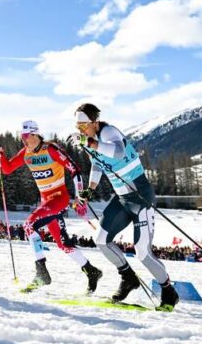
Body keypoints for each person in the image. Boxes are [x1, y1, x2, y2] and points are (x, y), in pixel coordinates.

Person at [67, 103, 179, 310]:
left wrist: (88, 142)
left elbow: (117, 153)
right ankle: (128, 278)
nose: (80, 130)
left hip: (140, 197)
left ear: (94, 122)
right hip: (121, 199)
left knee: (142, 252)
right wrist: (89, 190)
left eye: (83, 126)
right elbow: (97, 165)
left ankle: (168, 291)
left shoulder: (108, 132)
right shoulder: (91, 141)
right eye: (77, 126)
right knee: (101, 239)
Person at [0, 120, 103, 293]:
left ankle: (41, 273)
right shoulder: (26, 153)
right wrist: (0, 154)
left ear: (35, 134)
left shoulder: (51, 149)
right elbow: (7, 169)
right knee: (63, 244)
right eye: (21, 136)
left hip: (59, 198)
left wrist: (80, 197)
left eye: (25, 136)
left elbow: (74, 170)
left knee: (29, 225)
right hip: (47, 202)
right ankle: (92, 271)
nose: (23, 140)